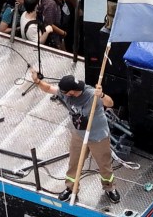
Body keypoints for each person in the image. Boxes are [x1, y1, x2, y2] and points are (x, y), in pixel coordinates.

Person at [33, 69, 120, 204]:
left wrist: (102, 95)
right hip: (79, 135)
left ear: (71, 91)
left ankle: (110, 188)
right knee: (74, 163)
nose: (62, 94)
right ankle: (70, 188)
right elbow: (49, 88)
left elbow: (110, 103)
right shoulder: (66, 94)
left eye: (64, 93)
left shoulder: (91, 94)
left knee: (104, 165)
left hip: (98, 136)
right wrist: (37, 81)